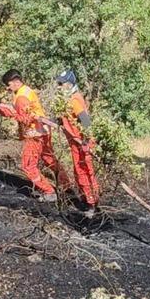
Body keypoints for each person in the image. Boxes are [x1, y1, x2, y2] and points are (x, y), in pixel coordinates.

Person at [0, 70, 71, 201]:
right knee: (50, 161)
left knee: (28, 166)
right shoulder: (25, 91)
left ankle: (49, 191)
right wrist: (0, 107)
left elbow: (24, 118)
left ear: (16, 82)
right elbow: (19, 111)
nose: (7, 88)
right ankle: (66, 186)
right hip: (43, 131)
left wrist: (3, 109)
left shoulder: (21, 97)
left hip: (34, 135)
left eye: (8, 85)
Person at [54, 70, 100, 217]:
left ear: (69, 84)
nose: (59, 87)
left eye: (61, 84)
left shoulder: (74, 100)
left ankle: (92, 205)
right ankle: (86, 199)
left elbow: (86, 122)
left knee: (84, 172)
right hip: (75, 143)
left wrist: (86, 141)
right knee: (79, 171)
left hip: (82, 143)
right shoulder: (68, 101)